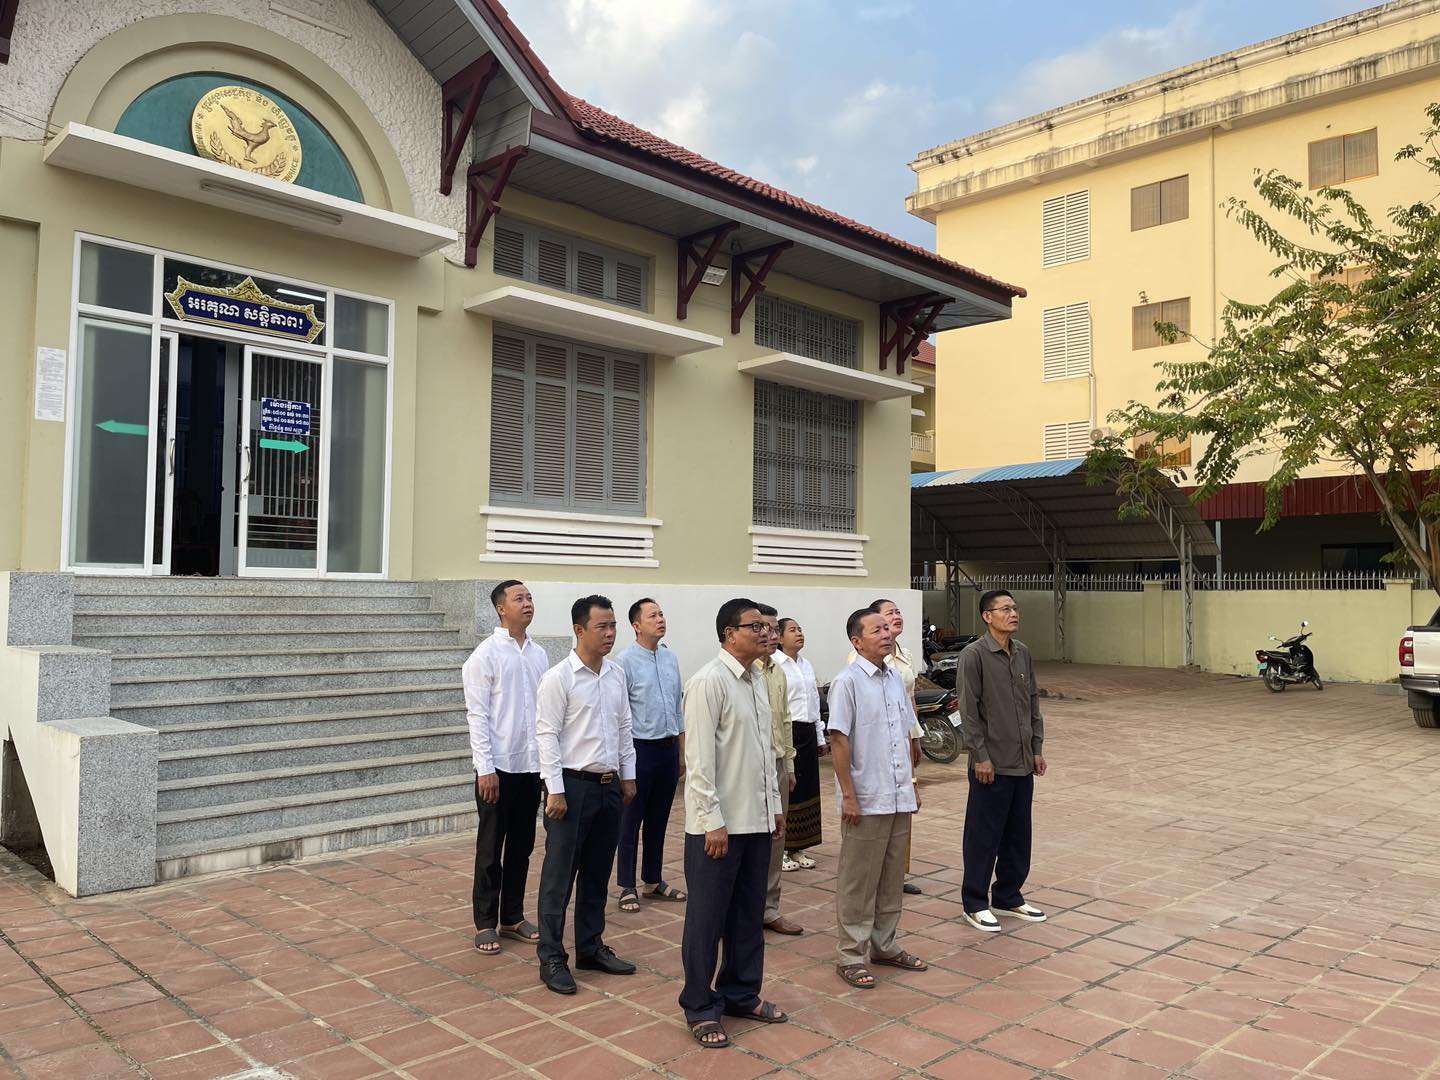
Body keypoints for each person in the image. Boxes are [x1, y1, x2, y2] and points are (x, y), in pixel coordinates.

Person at [679, 598, 787, 1050]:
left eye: (767, 627)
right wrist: (712, 823)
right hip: (718, 828)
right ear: (729, 633)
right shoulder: (708, 682)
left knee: (747, 915)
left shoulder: (757, 678)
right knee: (707, 919)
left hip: (756, 821)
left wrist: (774, 806)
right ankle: (699, 1005)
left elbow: (765, 751)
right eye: (755, 626)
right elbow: (699, 763)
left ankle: (741, 993)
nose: (766, 633)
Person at [534, 595, 639, 994]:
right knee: (559, 877)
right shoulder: (559, 678)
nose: (610, 634)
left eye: (613, 626)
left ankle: (591, 947)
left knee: (597, 873)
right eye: (602, 627)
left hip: (609, 787)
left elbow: (624, 727)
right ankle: (551, 956)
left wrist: (628, 777)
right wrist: (554, 790)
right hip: (571, 788)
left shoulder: (615, 675)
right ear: (579, 630)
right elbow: (546, 734)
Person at [828, 609, 928, 988]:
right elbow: (839, 740)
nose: (886, 634)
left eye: (887, 628)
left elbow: (903, 735)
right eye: (877, 630)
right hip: (866, 797)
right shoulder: (847, 682)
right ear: (857, 641)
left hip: (898, 795)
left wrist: (912, 784)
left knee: (891, 877)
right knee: (859, 880)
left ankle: (884, 945)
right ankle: (851, 954)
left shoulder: (894, 679)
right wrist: (848, 795)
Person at [462, 579, 548, 955]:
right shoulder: (485, 655)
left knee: (522, 846)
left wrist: (546, 766)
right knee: (490, 847)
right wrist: (485, 768)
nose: (527, 603)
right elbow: (477, 715)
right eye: (519, 598)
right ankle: (485, 922)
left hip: (530, 766)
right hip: (497, 768)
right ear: (501, 608)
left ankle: (512, 916)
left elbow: (545, 714)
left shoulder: (539, 654)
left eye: (529, 597)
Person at [957, 589, 1048, 933]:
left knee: (1018, 834)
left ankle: (1008, 895)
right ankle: (975, 902)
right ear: (987, 616)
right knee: (983, 836)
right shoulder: (974, 655)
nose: (1013, 613)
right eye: (1005, 608)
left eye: (1015, 608)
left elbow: (1032, 703)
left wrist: (1036, 747)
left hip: (1022, 761)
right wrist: (979, 756)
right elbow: (969, 710)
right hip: (991, 764)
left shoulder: (1022, 652)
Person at [614, 597, 687, 912]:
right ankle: (626, 885)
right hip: (639, 750)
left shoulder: (670, 658)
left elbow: (678, 708)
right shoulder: (624, 662)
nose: (660, 619)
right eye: (652, 615)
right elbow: (620, 715)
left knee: (659, 819)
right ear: (636, 625)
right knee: (630, 821)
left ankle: (653, 881)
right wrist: (624, 763)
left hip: (668, 749)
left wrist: (681, 752)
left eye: (661, 614)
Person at [855, 599, 925, 895]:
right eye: (887, 616)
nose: (894, 619)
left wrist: (916, 735)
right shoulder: (859, 664)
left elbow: (910, 699)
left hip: (904, 733)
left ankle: (897, 872)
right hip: (879, 746)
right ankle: (878, 875)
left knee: (904, 804)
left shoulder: (904, 655)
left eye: (897, 613)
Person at [756, 604, 801, 936]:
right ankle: (745, 909)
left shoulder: (777, 672)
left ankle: (769, 908)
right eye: (766, 629)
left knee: (776, 839)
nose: (772, 635)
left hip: (777, 764)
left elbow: (785, 720)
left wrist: (789, 765)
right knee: (749, 840)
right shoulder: (742, 672)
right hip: (749, 769)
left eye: (774, 630)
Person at [776, 618, 825, 869]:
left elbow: (813, 702)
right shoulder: (775, 664)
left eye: (800, 629)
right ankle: (781, 848)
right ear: (779, 637)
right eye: (792, 630)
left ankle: (799, 847)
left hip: (807, 732)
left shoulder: (806, 665)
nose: (799, 634)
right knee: (788, 790)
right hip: (788, 732)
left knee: (807, 789)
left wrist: (819, 737)